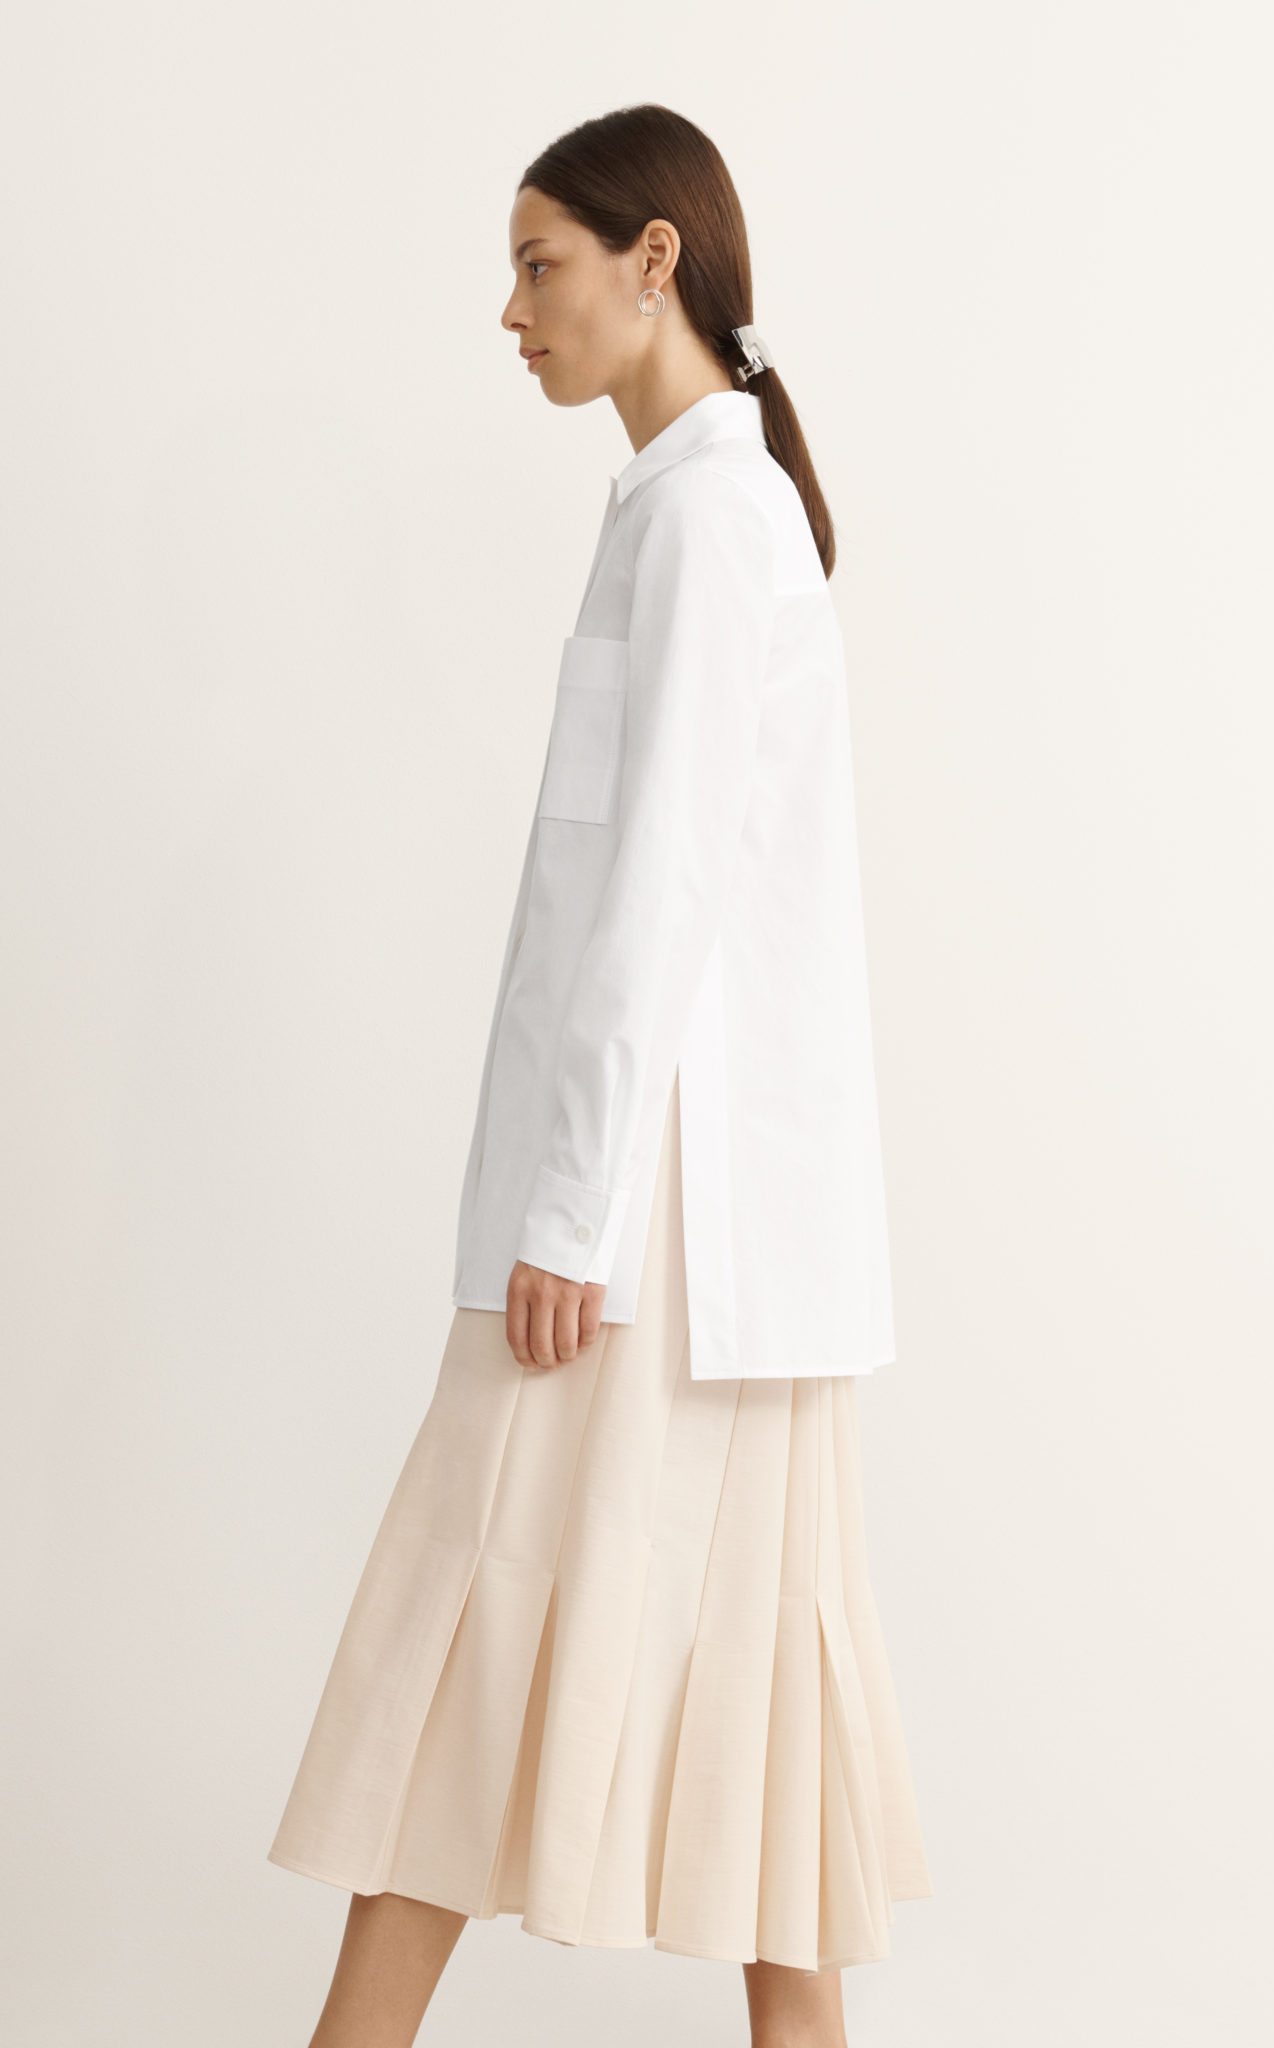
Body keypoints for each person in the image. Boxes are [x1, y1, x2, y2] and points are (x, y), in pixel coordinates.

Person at [266, 102, 933, 2048]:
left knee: (465, 1637)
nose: (510, 309)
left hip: (653, 1226)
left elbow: (662, 884)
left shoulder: (711, 517)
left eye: (538, 263)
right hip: (690, 1218)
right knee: (701, 1679)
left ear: (657, 262)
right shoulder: (685, 507)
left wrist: (565, 1214)